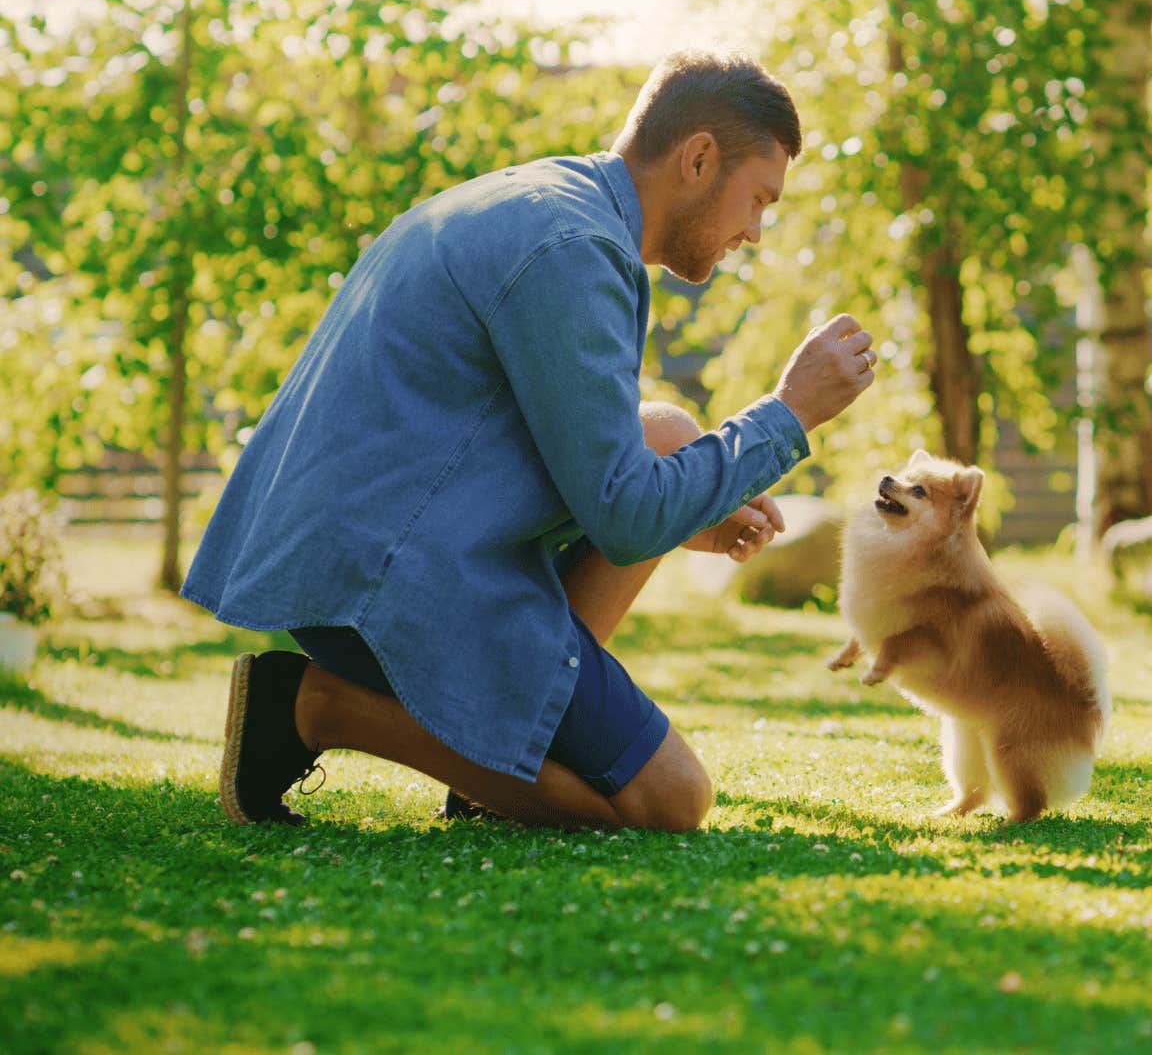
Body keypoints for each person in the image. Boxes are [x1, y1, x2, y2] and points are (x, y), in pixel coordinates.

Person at [181, 50, 877, 831]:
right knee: (671, 802)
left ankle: (494, 756)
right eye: (757, 200)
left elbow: (605, 458)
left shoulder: (547, 203)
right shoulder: (574, 253)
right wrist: (788, 413)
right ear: (699, 159)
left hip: (357, 546)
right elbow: (622, 514)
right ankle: (315, 706)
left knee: (669, 433)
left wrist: (697, 508)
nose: (753, 232)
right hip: (378, 586)